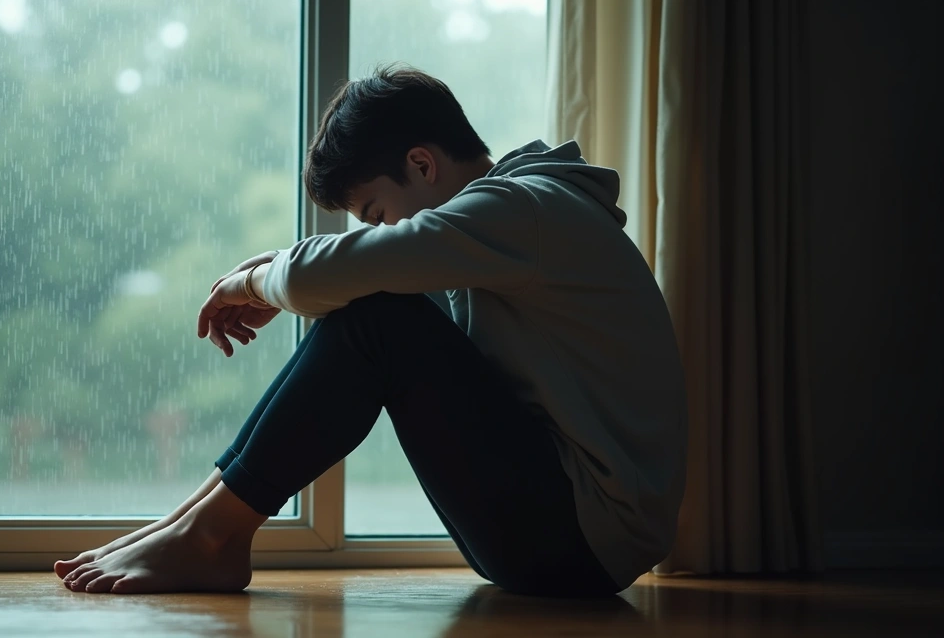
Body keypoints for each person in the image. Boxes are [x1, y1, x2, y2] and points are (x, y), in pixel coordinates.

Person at [53, 64, 688, 597]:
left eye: (376, 214)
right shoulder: (503, 231)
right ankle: (190, 525)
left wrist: (255, 281)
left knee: (379, 314)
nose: (379, 232)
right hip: (562, 534)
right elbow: (344, 277)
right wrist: (288, 275)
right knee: (374, 303)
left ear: (421, 163)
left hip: (581, 540)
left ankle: (211, 536)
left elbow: (347, 274)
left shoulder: (523, 209)